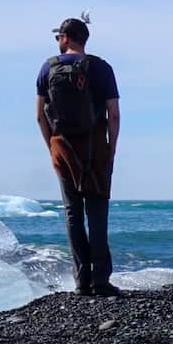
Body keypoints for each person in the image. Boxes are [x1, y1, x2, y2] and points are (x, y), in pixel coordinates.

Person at [36, 16, 121, 296]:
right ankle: (101, 281)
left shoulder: (48, 68)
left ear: (66, 37)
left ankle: (81, 281)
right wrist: (111, 148)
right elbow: (113, 114)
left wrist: (52, 146)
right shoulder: (101, 68)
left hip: (62, 147)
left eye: (58, 37)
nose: (57, 41)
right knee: (97, 212)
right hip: (96, 147)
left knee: (73, 212)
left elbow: (40, 115)